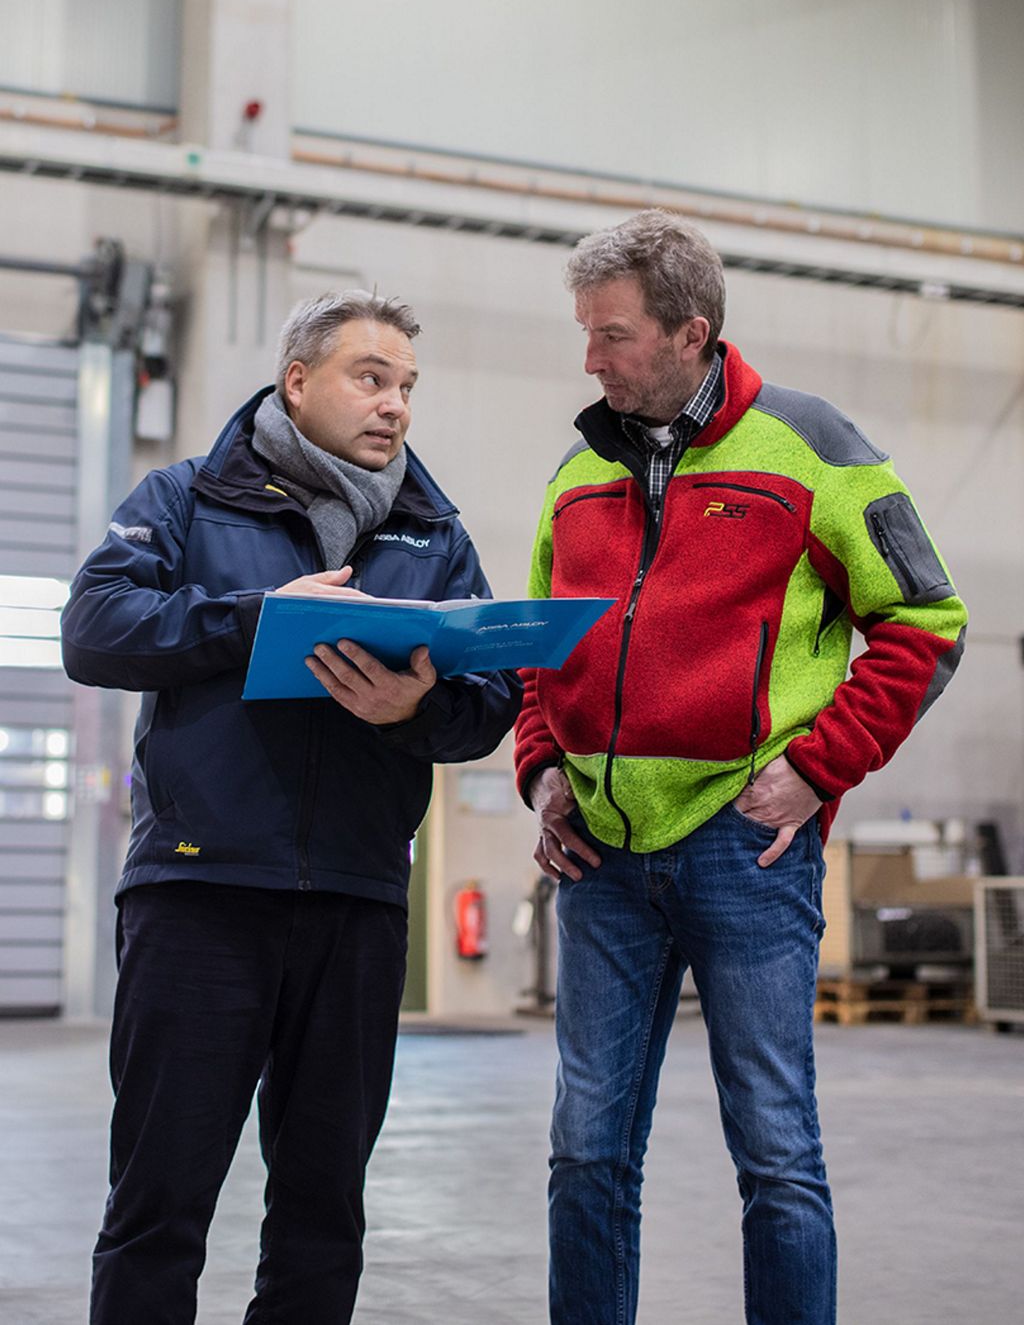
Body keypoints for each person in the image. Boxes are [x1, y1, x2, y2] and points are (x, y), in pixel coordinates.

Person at [514, 211, 967, 1325]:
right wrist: (541, 767)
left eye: (612, 335)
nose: (590, 359)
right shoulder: (579, 468)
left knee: (775, 1151)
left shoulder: (814, 448)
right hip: (599, 854)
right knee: (585, 1150)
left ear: (691, 331)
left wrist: (821, 768)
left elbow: (925, 621)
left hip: (744, 848)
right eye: (585, 332)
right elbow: (536, 642)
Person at [62, 290, 522, 1324]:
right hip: (200, 893)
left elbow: (491, 705)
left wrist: (414, 710)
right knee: (158, 1203)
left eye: (407, 386)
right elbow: (93, 627)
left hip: (357, 906)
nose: (395, 404)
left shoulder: (435, 536)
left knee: (323, 1214)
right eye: (371, 377)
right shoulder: (185, 499)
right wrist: (253, 617)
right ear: (298, 382)